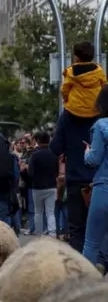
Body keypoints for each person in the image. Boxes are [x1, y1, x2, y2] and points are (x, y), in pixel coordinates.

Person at [51, 64, 100, 253]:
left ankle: (81, 274)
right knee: (100, 229)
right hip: (100, 180)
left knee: (77, 230)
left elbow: (55, 148)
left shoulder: (67, 116)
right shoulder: (103, 117)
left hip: (76, 179)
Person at [82, 84, 108, 265]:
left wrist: (87, 151)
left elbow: (94, 160)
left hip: (104, 188)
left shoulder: (101, 125)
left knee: (91, 243)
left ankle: (87, 287)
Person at [61, 41, 106, 119]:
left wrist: (67, 101)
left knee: (60, 130)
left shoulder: (71, 72)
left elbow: (64, 90)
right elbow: (105, 88)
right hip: (95, 111)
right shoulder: (99, 71)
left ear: (77, 58)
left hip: (74, 111)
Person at [28, 131, 59, 237]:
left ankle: (39, 233)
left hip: (37, 187)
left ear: (37, 141)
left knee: (38, 211)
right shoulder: (53, 154)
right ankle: (52, 233)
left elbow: (30, 172)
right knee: (50, 211)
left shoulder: (34, 155)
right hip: (51, 185)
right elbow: (57, 171)